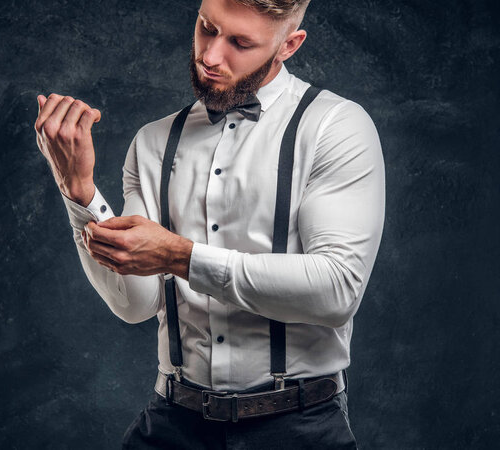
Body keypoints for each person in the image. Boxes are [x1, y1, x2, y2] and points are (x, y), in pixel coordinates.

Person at [34, 0, 385, 447]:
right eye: (207, 27)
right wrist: (78, 189)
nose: (210, 56)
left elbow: (337, 290)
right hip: (171, 422)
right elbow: (134, 303)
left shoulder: (335, 127)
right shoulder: (154, 141)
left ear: (288, 45)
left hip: (296, 427)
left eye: (240, 42)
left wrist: (179, 256)